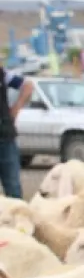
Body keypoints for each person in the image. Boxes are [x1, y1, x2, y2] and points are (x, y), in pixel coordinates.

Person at [0, 67, 33, 199]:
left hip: (5, 138)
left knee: (13, 190)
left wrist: (17, 107)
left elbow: (28, 85)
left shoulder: (2, 74)